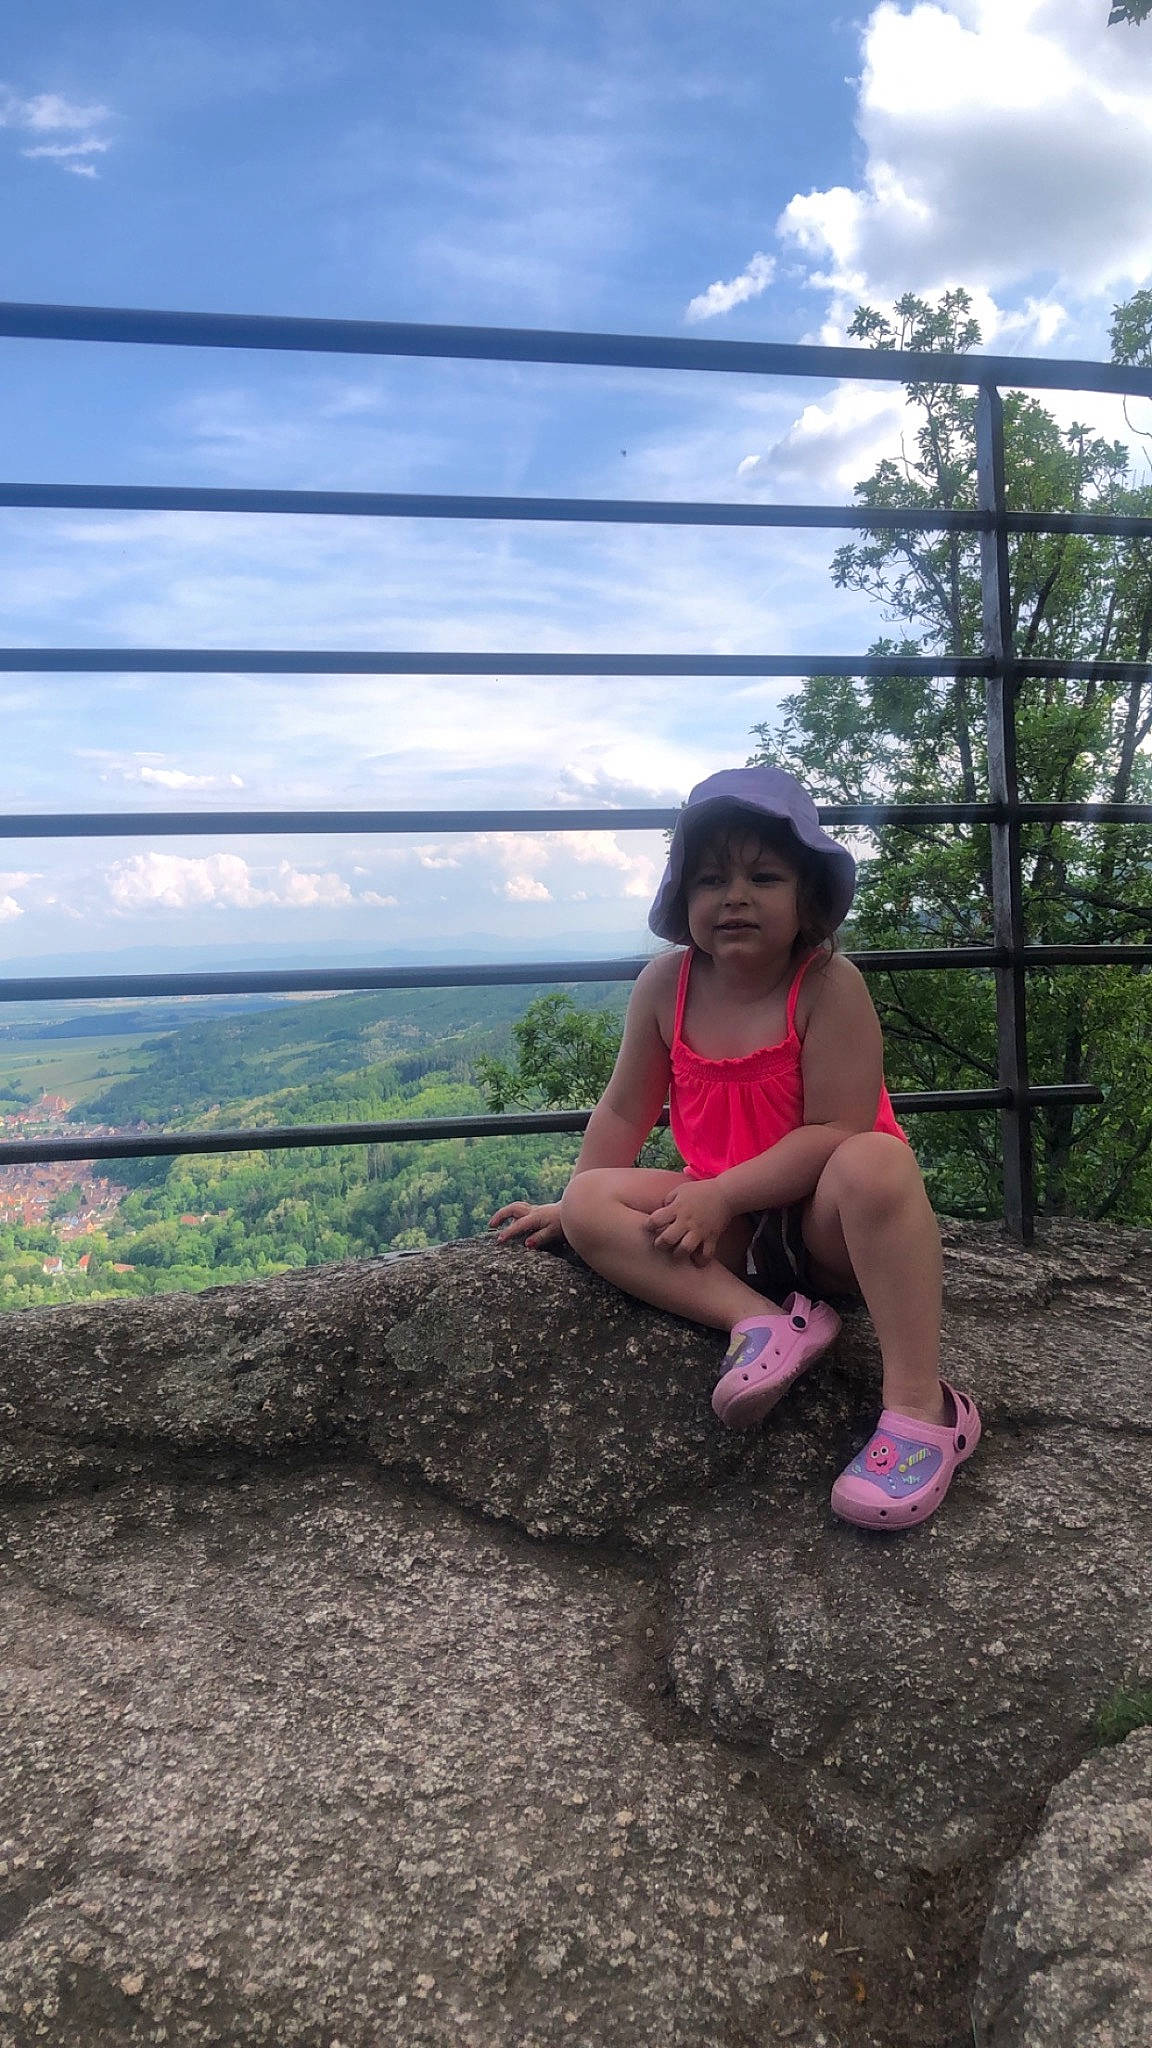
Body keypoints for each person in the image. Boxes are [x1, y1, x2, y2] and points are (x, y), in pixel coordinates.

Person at [489, 766, 980, 1530]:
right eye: (711, 877)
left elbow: (839, 1130)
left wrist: (721, 1193)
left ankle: (923, 1409)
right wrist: (572, 1202)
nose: (735, 895)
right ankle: (762, 1322)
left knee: (875, 1159)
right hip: (732, 1239)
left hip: (825, 1230)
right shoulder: (665, 986)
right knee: (593, 1204)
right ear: (684, 900)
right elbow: (624, 1109)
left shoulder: (828, 985)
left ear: (807, 897)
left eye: (765, 876)